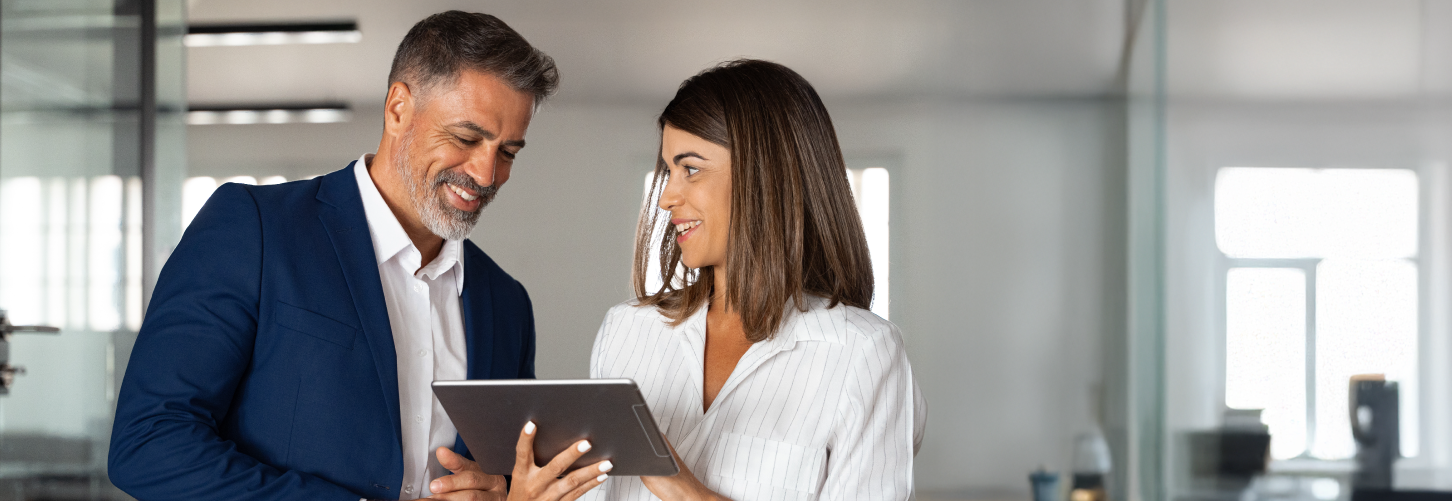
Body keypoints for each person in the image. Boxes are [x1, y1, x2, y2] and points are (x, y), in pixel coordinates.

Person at [108, 11, 604, 501]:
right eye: (467, 138)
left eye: (509, 152)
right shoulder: (255, 228)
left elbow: (514, 473)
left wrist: (501, 491)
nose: (487, 172)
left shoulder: (506, 303)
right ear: (397, 109)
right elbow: (149, 441)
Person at [583, 59, 926, 501]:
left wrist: (685, 490)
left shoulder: (864, 355)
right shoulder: (625, 330)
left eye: (690, 168)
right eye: (668, 170)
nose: (667, 196)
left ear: (763, 176)